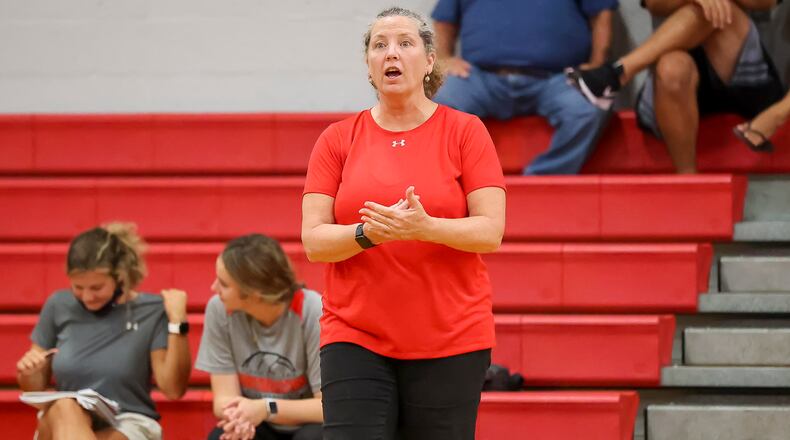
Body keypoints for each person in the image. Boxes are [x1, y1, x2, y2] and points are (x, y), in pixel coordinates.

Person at [301, 7, 506, 440]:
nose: (391, 53)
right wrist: (367, 234)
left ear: (430, 61)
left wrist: (424, 227)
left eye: (405, 43)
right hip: (354, 334)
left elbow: (490, 231)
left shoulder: (466, 131)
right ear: (370, 66)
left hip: (451, 336)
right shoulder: (337, 139)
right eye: (380, 45)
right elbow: (315, 241)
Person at [16, 222, 192, 440]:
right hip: (64, 418)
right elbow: (35, 385)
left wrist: (178, 323)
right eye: (78, 288)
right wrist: (29, 372)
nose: (87, 297)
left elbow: (173, 389)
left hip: (128, 420)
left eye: (97, 288)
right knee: (65, 406)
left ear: (120, 278)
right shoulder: (58, 305)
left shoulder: (151, 311)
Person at [566, 0, 786, 172]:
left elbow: (765, 2)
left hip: (744, 76)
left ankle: (618, 73)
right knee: (672, 67)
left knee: (719, 10)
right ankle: (688, 179)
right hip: (676, 73)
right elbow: (655, 5)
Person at [430, 0, 618, 175]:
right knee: (439, 103)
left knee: (587, 108)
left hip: (558, 79)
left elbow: (602, 13)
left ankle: (540, 182)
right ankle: (459, 182)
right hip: (480, 77)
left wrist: (597, 65)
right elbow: (444, 20)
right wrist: (444, 58)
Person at [195, 234, 322, 440]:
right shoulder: (219, 309)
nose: (214, 289)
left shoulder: (312, 310)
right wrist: (238, 418)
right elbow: (223, 399)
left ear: (254, 293)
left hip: (308, 424)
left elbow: (326, 407)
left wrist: (266, 408)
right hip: (258, 422)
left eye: (224, 284)